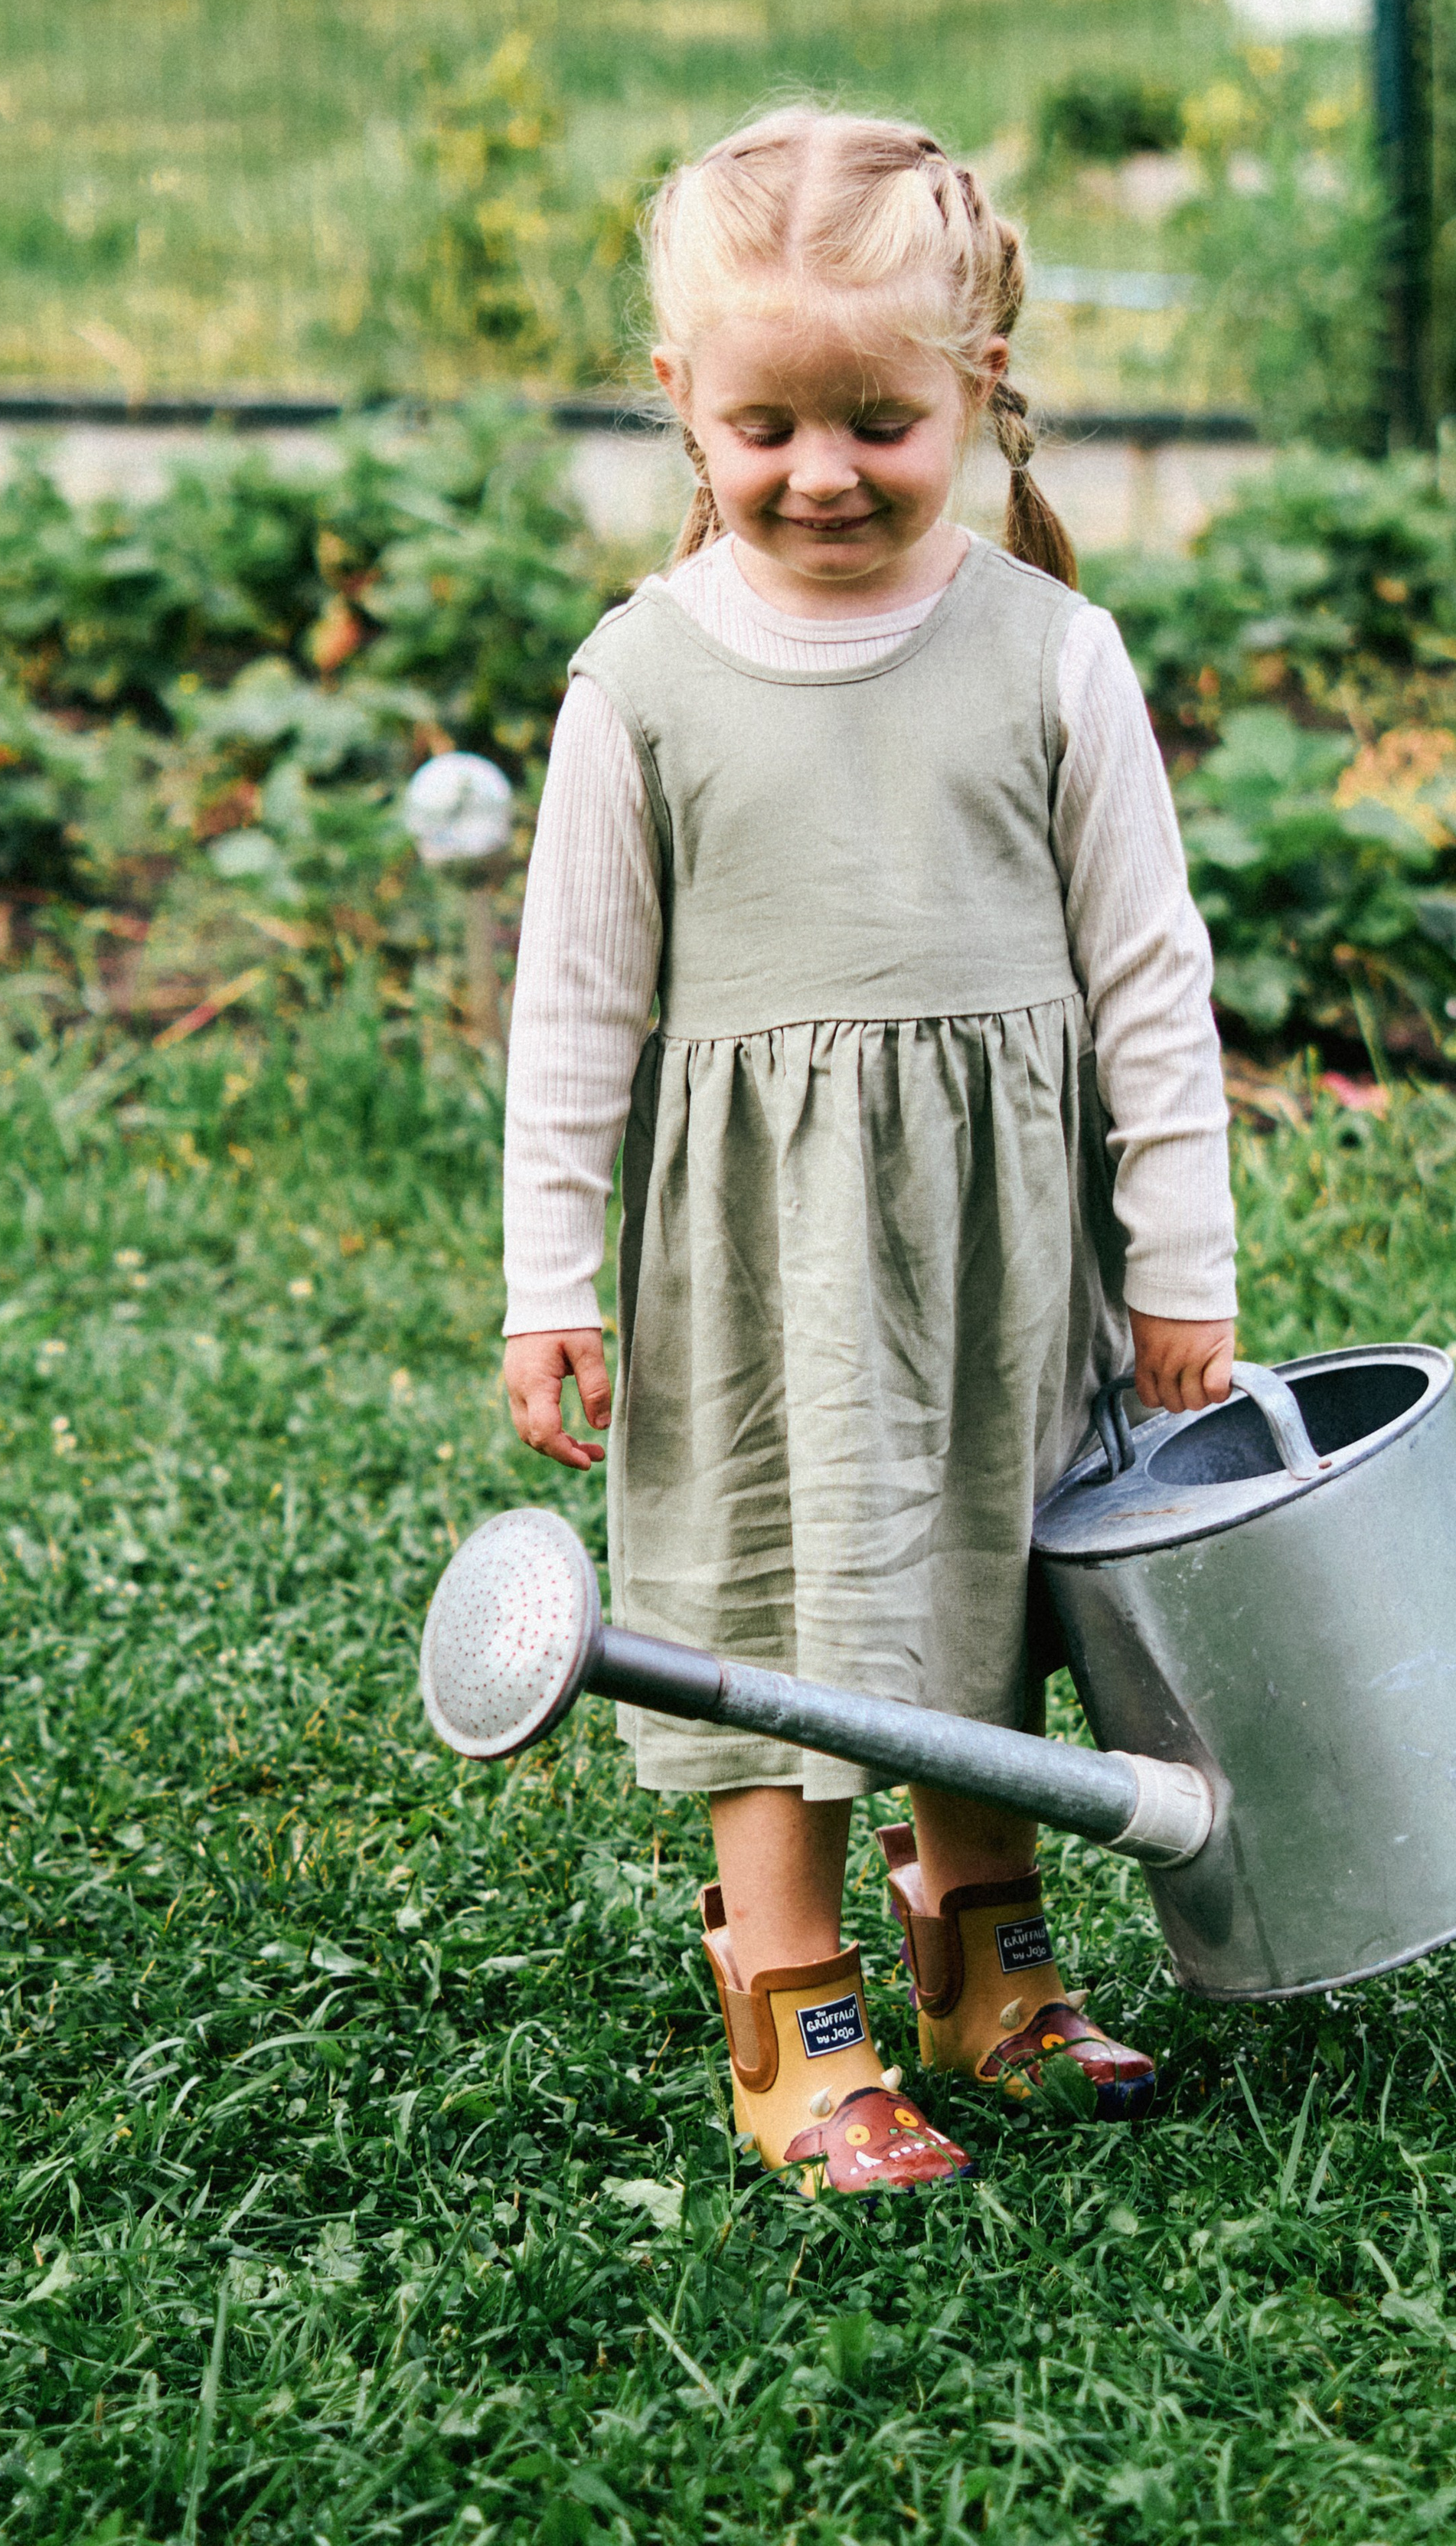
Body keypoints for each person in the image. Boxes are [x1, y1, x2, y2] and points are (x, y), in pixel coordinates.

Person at [503, 108, 1236, 2195]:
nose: (823, 469)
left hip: (1002, 1250)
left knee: (985, 1598)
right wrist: (550, 1280)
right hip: (752, 1259)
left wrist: (1179, 1260)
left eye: (881, 421)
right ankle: (796, 2007)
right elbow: (573, 1011)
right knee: (770, 1597)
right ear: (681, 408)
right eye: (767, 424)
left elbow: (1151, 985)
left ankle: (984, 1962)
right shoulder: (640, 685)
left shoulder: (1049, 655)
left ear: (978, 392)